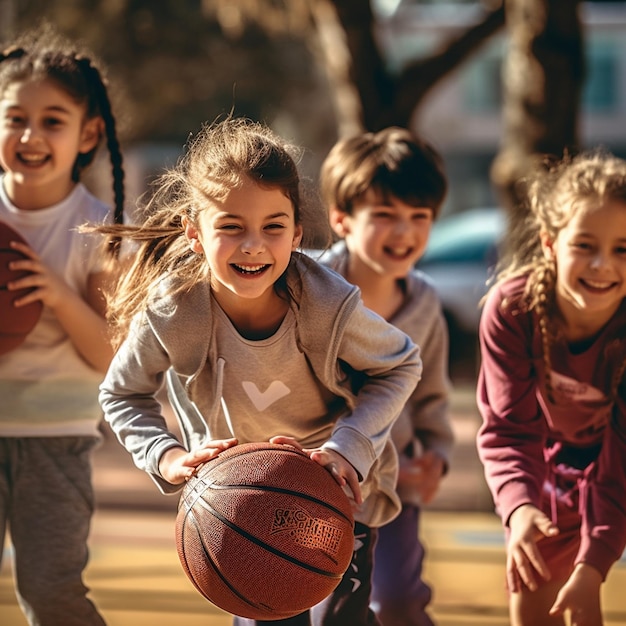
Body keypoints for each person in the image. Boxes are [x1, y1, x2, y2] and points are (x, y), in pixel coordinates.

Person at [97, 116, 423, 626]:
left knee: (341, 620)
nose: (253, 245)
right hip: (240, 500)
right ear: (194, 234)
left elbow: (401, 363)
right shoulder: (173, 311)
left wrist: (349, 449)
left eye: (273, 227)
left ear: (297, 233)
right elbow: (122, 394)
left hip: (330, 490)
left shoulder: (324, 302)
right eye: (230, 227)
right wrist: (168, 457)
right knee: (268, 614)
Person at [0, 23, 125, 626]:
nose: (29, 135)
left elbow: (111, 354)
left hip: (55, 436)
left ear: (88, 133)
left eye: (52, 120)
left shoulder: (97, 231)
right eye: (14, 117)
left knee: (50, 593)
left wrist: (54, 294)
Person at [476, 149, 626, 626]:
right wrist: (519, 509)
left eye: (623, 248)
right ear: (549, 243)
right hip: (559, 459)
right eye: (585, 244)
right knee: (533, 575)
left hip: (616, 460)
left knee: (586, 581)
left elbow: (620, 462)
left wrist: (593, 563)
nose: (603, 265)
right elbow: (509, 430)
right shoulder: (513, 310)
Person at [317, 127, 454, 626]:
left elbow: (432, 398)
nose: (405, 233)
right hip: (303, 481)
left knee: (396, 601)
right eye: (385, 216)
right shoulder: (306, 290)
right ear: (342, 220)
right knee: (284, 599)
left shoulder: (424, 304)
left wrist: (436, 458)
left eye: (419, 217)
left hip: (388, 491)